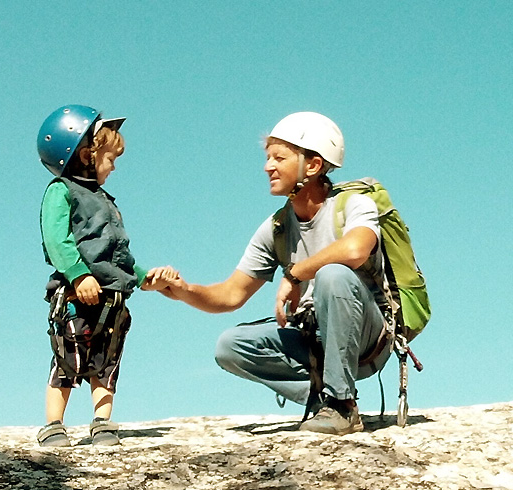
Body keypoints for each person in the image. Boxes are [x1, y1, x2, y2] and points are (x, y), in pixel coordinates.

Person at [153, 112, 391, 435]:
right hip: (315, 338)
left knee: (332, 274)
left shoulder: (354, 204)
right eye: (268, 158)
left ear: (313, 166)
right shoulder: (276, 228)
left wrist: (295, 274)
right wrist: (182, 290)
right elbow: (232, 294)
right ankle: (320, 393)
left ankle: (342, 405)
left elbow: (355, 250)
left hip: (366, 336)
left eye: (279, 158)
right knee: (230, 346)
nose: (268, 167)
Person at [33, 105, 174, 447]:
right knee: (68, 359)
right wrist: (79, 275)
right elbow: (57, 239)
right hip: (74, 297)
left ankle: (102, 422)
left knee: (106, 362)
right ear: (85, 155)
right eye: (110, 158)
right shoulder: (61, 191)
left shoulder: (106, 200)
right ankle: (54, 424)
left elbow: (118, 253)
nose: (113, 166)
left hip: (112, 299)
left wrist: (141, 277)